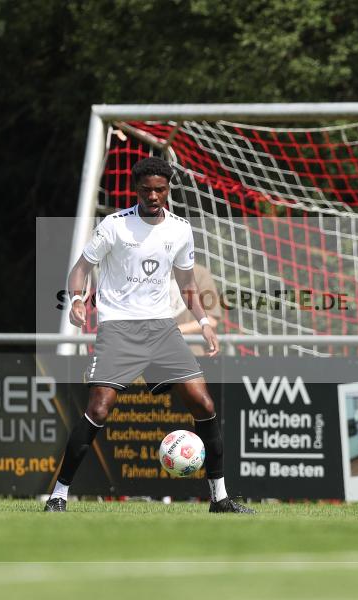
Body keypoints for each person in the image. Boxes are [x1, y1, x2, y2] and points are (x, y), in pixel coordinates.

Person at [46, 156, 253, 514]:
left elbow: (188, 285)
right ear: (136, 190)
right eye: (146, 190)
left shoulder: (179, 229)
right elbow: (81, 269)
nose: (153, 195)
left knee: (203, 404)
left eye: (160, 189)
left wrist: (203, 323)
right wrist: (78, 300)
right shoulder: (114, 226)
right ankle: (59, 494)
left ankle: (219, 498)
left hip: (161, 330)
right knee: (99, 408)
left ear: (168, 189)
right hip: (119, 329)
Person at [169, 264, 223, 356]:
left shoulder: (200, 273)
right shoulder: (153, 271)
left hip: (191, 352)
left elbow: (212, 320)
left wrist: (173, 331)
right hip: (155, 350)